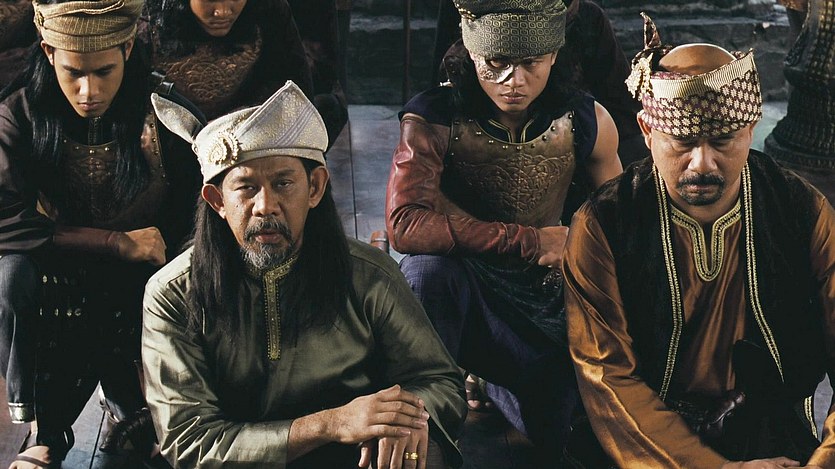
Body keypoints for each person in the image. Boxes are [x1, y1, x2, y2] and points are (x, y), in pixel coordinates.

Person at [143, 81, 466, 469]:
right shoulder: (172, 293)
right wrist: (330, 423)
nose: (266, 206)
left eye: (283, 183)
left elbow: (440, 382)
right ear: (217, 201)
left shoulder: (368, 276)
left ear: (314, 188)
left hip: (353, 457)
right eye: (246, 187)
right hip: (244, 463)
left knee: (416, 451)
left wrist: (402, 417)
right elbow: (190, 440)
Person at [563, 14, 835, 468]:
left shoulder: (801, 210)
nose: (702, 163)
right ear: (648, 131)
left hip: (772, 437)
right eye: (683, 142)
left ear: (750, 129)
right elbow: (607, 376)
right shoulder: (603, 224)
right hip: (644, 444)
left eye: (723, 140)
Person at [385, 0, 622, 463]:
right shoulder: (434, 117)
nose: (513, 80)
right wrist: (530, 241)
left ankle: (492, 382)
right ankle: (425, 422)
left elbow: (620, 228)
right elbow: (405, 224)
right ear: (473, 54)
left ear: (553, 55)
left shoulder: (587, 120)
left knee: (572, 428)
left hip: (544, 303)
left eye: (530, 63)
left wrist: (581, 244)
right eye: (496, 63)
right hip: (464, 292)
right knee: (425, 273)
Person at [0, 0, 203, 467]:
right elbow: (5, 218)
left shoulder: (164, 111)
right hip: (56, 268)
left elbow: (207, 205)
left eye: (104, 71)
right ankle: (43, 431)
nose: (89, 91)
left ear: (128, 48)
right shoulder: (20, 113)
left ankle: (147, 413)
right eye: (73, 73)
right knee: (11, 275)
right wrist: (112, 241)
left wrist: (176, 262)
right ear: (49, 52)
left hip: (148, 274)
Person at [432, 0, 647, 165]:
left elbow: (624, 115)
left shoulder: (586, 18)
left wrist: (585, 134)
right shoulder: (472, 13)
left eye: (529, 61)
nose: (515, 79)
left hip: (567, 142)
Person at [139, 0, 313, 121]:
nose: (222, 12)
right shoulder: (144, 19)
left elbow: (296, 92)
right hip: (162, 144)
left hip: (248, 139)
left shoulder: (269, 10)